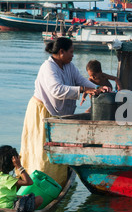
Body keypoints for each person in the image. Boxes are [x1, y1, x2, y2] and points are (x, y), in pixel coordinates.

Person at [20, 37, 110, 187]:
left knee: (57, 147)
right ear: (61, 52)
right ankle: (38, 181)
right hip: (42, 111)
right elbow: (57, 90)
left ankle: (58, 180)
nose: (73, 55)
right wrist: (83, 90)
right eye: (71, 52)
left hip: (56, 113)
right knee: (42, 150)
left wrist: (97, 89)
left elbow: (80, 80)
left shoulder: (69, 66)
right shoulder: (48, 67)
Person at [0, 145, 43, 212]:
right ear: (12, 163)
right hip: (8, 207)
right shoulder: (7, 178)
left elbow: (5, 195)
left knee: (23, 195)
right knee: (39, 199)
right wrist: (19, 166)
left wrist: (21, 196)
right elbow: (29, 182)